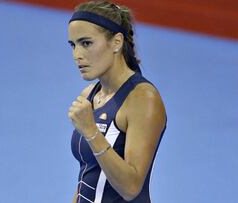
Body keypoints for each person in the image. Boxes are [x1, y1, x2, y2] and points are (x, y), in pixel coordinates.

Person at [67, 1, 167, 203]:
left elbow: (131, 188)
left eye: (86, 43)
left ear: (116, 42)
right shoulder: (90, 95)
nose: (77, 55)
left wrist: (91, 131)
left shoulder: (143, 99)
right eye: (73, 45)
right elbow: (87, 175)